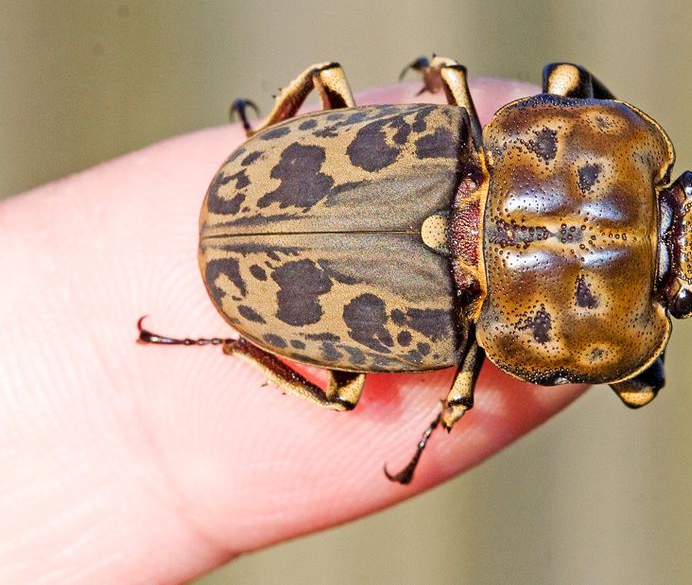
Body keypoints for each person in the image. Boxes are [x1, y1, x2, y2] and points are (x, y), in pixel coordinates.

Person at [0, 78, 583, 583]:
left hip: (266, 195)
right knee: (341, 395)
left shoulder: (455, 139)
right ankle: (235, 347)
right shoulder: (464, 174)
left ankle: (235, 340)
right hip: (264, 231)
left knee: (328, 79)